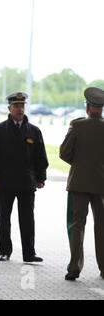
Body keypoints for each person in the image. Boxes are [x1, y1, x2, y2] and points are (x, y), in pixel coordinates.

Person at [0, 92, 48, 263]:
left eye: (22, 106)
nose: (20, 109)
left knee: (27, 220)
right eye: (16, 106)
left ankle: (29, 253)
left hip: (26, 183)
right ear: (9, 108)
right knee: (4, 220)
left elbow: (40, 157)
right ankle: (4, 251)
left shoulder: (34, 131)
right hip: (4, 182)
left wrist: (40, 178)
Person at [60, 87, 104, 281]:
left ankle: (74, 267)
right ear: (101, 109)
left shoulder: (77, 126)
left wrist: (79, 164)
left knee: (77, 224)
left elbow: (64, 152)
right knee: (102, 225)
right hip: (102, 184)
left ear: (87, 107)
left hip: (78, 182)